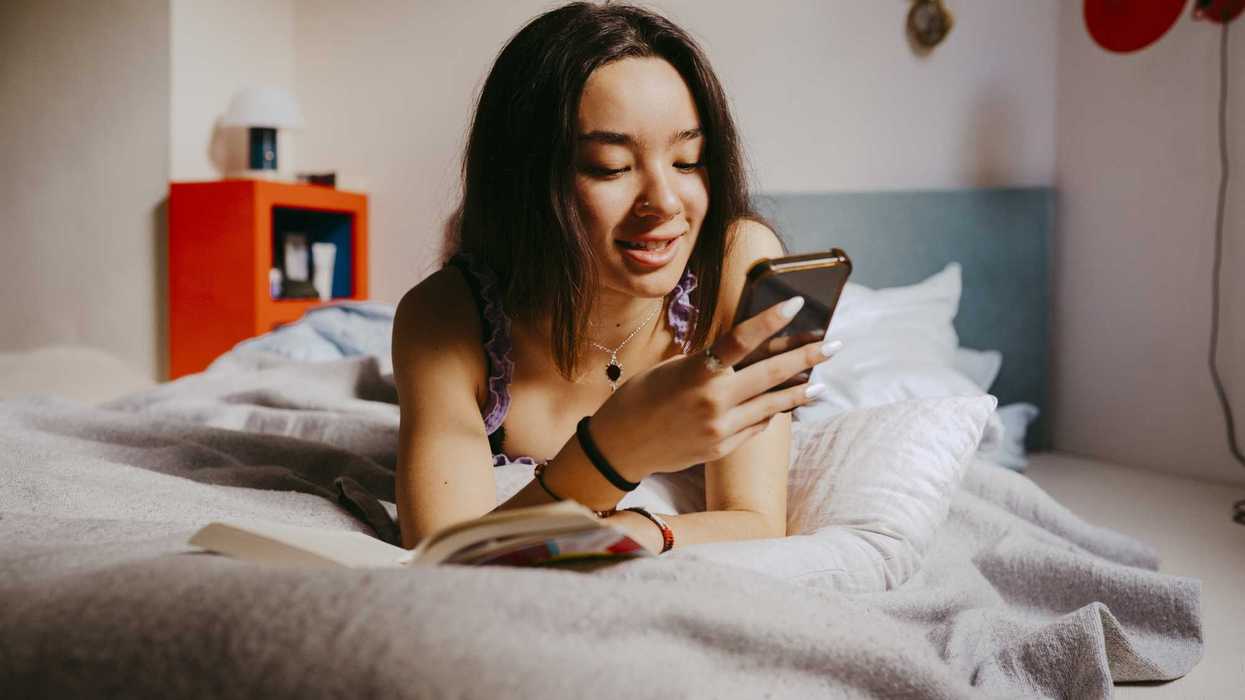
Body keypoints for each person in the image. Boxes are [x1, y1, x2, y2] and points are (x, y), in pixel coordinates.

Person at [392, 2, 838, 554]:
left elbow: (753, 519)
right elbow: (447, 555)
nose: (665, 202)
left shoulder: (738, 261)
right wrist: (615, 448)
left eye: (688, 160)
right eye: (610, 166)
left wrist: (642, 530)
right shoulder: (443, 318)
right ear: (525, 182)